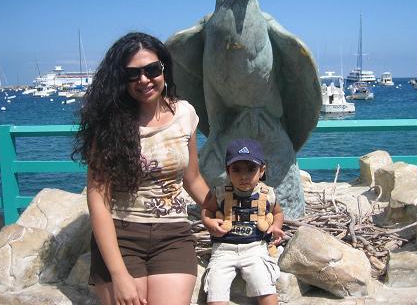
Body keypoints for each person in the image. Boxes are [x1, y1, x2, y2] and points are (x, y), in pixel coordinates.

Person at [72, 32, 214, 305]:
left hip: (172, 235)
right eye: (132, 74)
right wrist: (119, 274)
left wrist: (218, 209)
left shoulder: (185, 114)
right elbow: (98, 198)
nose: (144, 80)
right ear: (120, 79)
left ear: (164, 69)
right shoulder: (107, 124)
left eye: (152, 70)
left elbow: (192, 178)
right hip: (122, 235)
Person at [201, 138, 285, 305]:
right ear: (228, 171)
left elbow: (278, 212)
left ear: (262, 171)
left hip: (255, 248)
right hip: (224, 250)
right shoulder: (220, 192)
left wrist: (276, 226)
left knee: (265, 285)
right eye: (237, 170)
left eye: (251, 169)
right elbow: (207, 210)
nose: (244, 176)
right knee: (216, 289)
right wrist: (208, 222)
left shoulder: (267, 194)